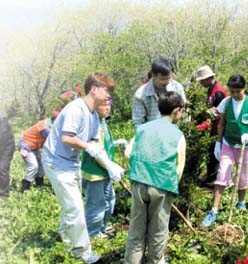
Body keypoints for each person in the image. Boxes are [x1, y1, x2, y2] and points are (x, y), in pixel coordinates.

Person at [42, 73, 124, 264]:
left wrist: (110, 165)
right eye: (107, 92)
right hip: (56, 161)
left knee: (72, 202)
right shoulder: (76, 109)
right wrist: (88, 147)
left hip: (72, 162)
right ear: (94, 89)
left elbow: (95, 144)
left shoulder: (94, 115)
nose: (108, 97)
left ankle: (66, 236)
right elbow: (67, 138)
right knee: (76, 207)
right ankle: (83, 252)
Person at [125, 91, 186, 264]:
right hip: (162, 186)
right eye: (181, 110)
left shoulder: (143, 128)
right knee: (158, 230)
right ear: (176, 110)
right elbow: (179, 166)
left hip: (139, 183)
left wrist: (137, 171)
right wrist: (172, 187)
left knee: (136, 230)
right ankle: (155, 261)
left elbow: (128, 153)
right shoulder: (177, 135)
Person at [201, 75, 248, 227]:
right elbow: (221, 123)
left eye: (238, 91)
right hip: (228, 143)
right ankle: (214, 211)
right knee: (222, 175)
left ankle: (241, 203)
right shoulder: (226, 102)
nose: (235, 94)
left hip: (245, 146)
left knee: (242, 176)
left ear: (244, 89)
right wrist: (218, 142)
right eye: (232, 91)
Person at [81, 99, 127, 238]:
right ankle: (93, 233)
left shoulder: (103, 121)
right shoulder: (93, 123)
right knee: (96, 204)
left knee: (109, 200)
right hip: (94, 173)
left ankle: (102, 226)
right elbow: (96, 151)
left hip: (104, 171)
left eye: (109, 105)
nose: (107, 108)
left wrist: (114, 144)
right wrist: (111, 166)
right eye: (104, 105)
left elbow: (104, 144)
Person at [195, 65, 228, 185]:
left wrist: (204, 124)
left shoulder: (218, 92)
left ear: (208, 78)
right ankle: (211, 176)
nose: (201, 83)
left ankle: (216, 179)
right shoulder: (210, 90)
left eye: (202, 80)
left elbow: (218, 113)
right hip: (213, 126)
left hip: (220, 127)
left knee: (216, 153)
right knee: (211, 152)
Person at [132, 57, 186, 129]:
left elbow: (184, 112)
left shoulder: (177, 88)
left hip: (176, 133)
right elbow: (138, 123)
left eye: (168, 78)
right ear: (153, 75)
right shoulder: (141, 94)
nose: (166, 82)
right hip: (152, 136)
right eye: (162, 79)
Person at [18, 112, 59, 192]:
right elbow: (51, 142)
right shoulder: (44, 128)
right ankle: (25, 187)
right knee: (33, 166)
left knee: (41, 164)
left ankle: (39, 184)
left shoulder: (49, 123)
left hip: (34, 146)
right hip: (26, 145)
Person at [0, 112, 15, 198]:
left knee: (2, 169)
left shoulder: (2, 120)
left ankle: (3, 193)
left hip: (6, 148)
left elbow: (2, 139)